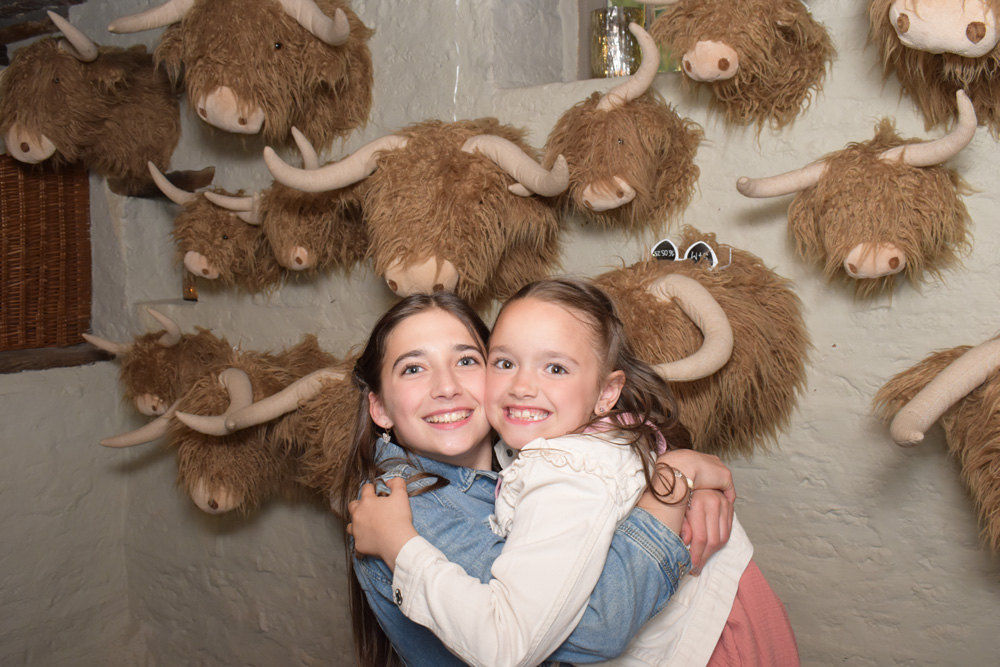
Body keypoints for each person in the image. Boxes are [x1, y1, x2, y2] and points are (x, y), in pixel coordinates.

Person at [350, 279, 799, 667]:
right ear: (380, 407)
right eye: (413, 368)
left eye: (467, 360)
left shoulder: (539, 452)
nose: (446, 386)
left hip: (720, 631)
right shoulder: (408, 506)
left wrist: (676, 472)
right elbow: (595, 626)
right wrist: (669, 492)